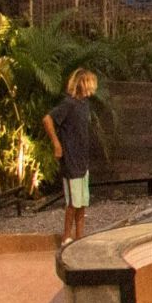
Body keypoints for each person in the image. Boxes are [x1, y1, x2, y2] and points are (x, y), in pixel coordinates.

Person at [43, 69, 101, 243]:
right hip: (71, 160)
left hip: (83, 161)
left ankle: (79, 238)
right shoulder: (68, 104)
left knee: (82, 202)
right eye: (90, 83)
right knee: (73, 203)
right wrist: (56, 144)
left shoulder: (84, 105)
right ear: (82, 84)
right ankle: (66, 237)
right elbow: (47, 119)